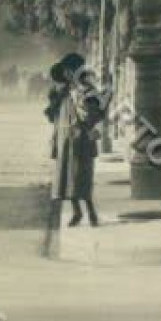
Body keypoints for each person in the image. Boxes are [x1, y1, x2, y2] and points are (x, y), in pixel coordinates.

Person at [58, 81, 106, 227]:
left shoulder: (90, 100)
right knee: (70, 181)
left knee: (83, 180)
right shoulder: (69, 99)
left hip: (84, 144)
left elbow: (95, 119)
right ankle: (77, 213)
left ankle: (91, 214)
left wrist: (81, 114)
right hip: (71, 144)